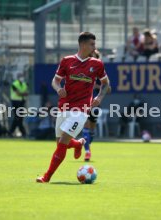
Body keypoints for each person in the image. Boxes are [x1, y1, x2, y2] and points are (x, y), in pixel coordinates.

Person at [36, 32, 110, 183]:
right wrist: (58, 89)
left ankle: (46, 176)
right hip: (64, 107)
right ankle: (78, 143)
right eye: (92, 44)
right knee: (60, 143)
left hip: (81, 110)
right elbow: (55, 81)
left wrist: (99, 97)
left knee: (62, 143)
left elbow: (106, 83)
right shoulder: (67, 61)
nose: (94, 47)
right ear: (83, 45)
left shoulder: (97, 64)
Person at [82, 49, 111, 161]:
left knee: (92, 129)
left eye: (93, 56)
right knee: (86, 125)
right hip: (83, 103)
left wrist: (97, 88)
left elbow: (108, 89)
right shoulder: (83, 70)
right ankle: (87, 152)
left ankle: (88, 143)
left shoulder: (100, 73)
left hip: (95, 104)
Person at [9, 73, 28, 137]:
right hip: (15, 102)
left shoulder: (24, 84)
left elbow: (26, 93)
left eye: (22, 76)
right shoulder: (14, 84)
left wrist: (22, 94)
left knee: (19, 118)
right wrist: (23, 94)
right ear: (18, 77)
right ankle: (22, 132)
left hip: (22, 102)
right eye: (21, 77)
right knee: (17, 117)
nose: (22, 78)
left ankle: (11, 132)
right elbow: (18, 94)